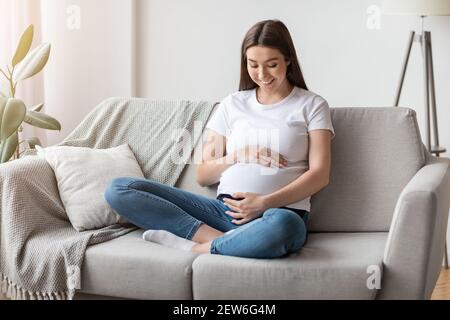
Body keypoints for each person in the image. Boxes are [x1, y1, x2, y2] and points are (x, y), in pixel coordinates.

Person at [105, 19, 335, 259]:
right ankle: (224, 241)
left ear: (288, 60)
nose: (262, 74)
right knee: (119, 189)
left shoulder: (312, 105)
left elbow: (320, 174)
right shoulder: (232, 104)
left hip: (278, 213)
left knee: (284, 226)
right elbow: (203, 175)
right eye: (253, 65)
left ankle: (196, 247)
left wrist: (264, 203)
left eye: (271, 64)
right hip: (221, 212)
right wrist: (239, 155)